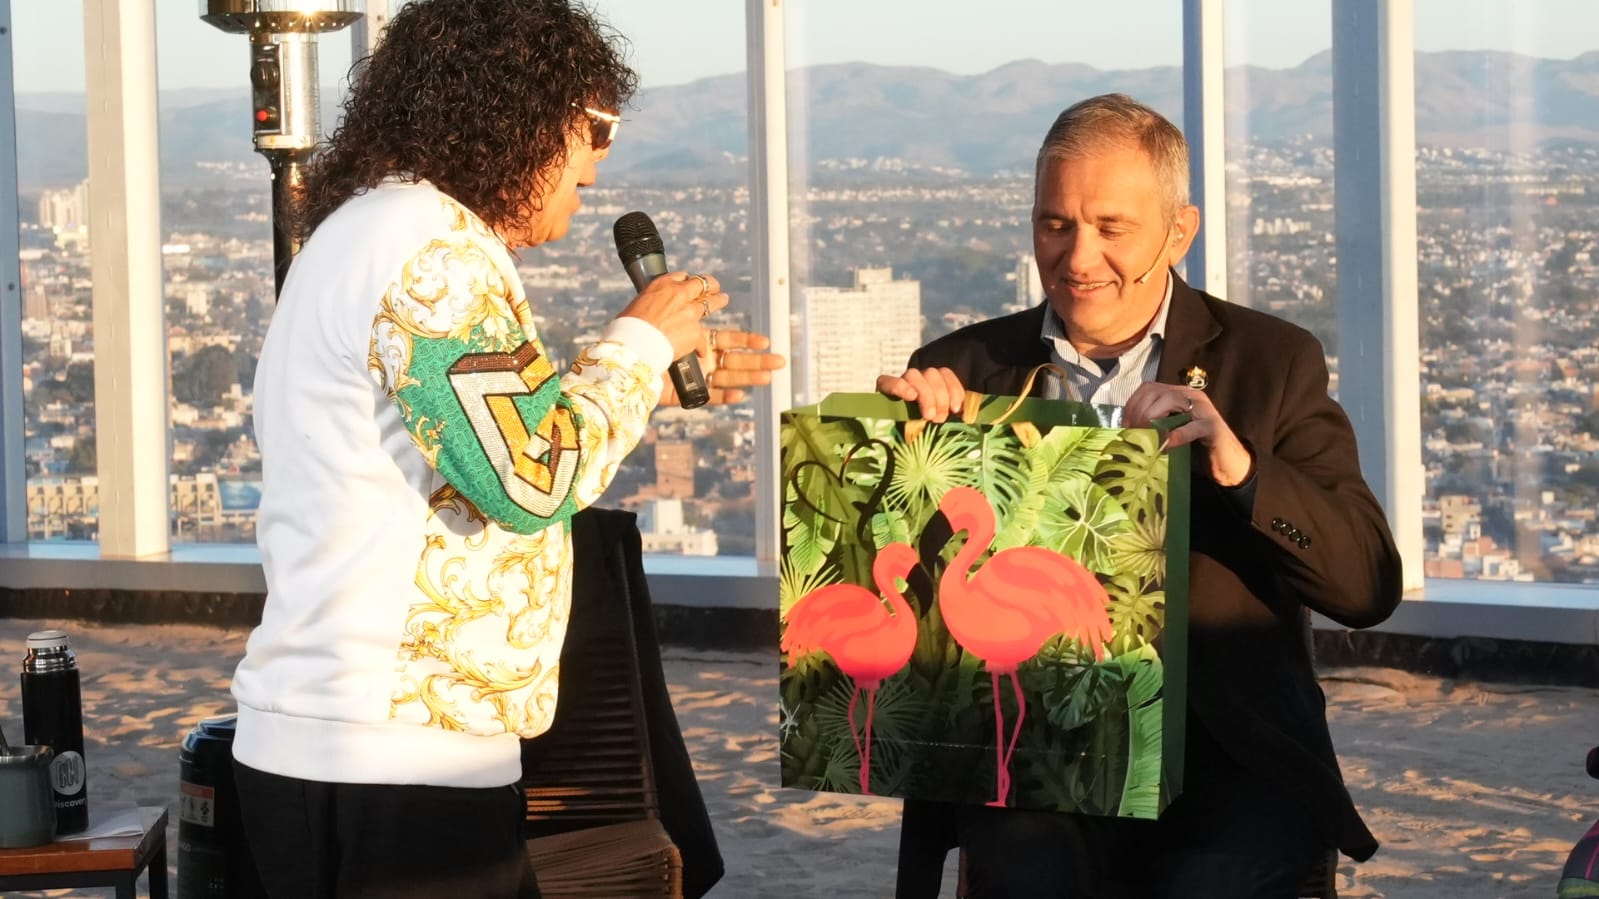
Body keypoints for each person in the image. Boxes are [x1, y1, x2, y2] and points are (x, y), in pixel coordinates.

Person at [227, 2, 783, 897]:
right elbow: (528, 477)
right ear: (513, 112)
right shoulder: (429, 247)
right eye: (593, 126)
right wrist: (637, 346)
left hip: (356, 746)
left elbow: (481, 440)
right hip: (391, 759)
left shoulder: (377, 229)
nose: (599, 164)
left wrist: (648, 374)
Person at [883, 93, 1403, 898]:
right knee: (1025, 868)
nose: (1077, 257)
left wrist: (1239, 467)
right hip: (1033, 752)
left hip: (1225, 756)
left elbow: (1366, 585)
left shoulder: (1269, 361)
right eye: (1054, 223)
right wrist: (906, 454)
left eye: (1110, 227)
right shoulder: (963, 368)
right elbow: (908, 599)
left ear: (1179, 230)